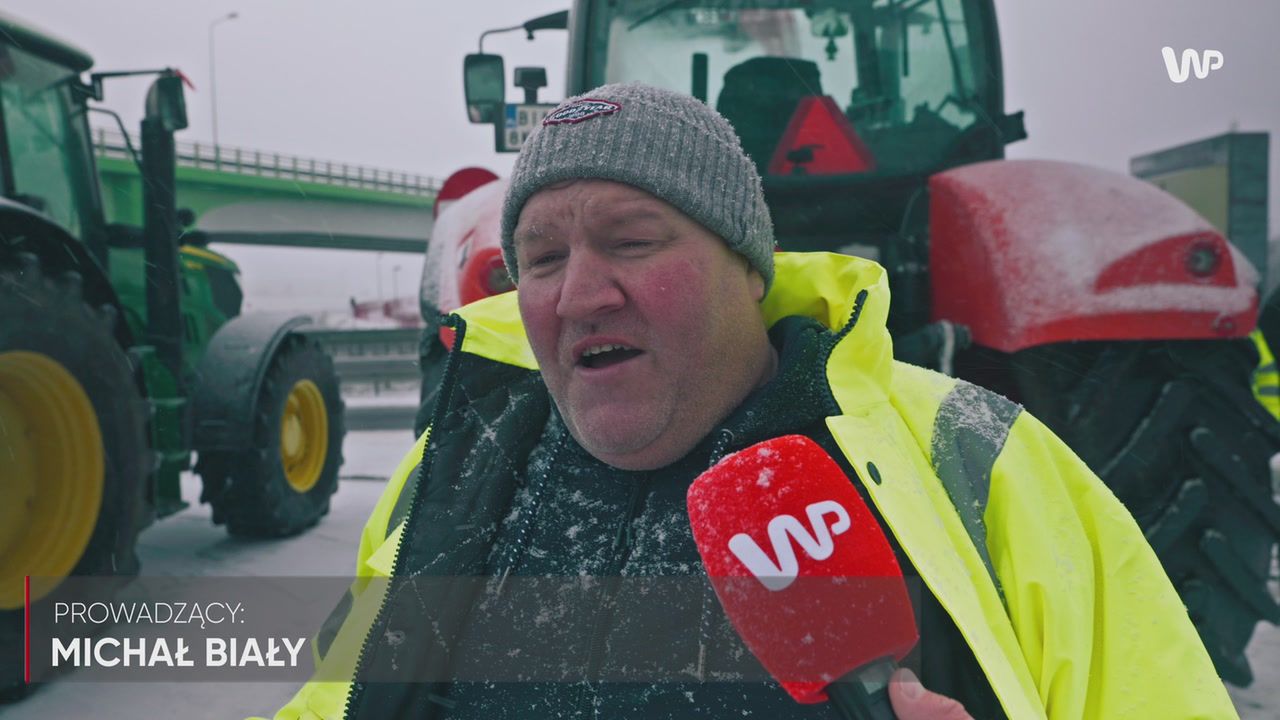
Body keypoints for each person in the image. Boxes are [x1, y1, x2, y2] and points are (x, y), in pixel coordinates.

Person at [265, 84, 1235, 720]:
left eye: (632, 239)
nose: (576, 293)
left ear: (746, 265)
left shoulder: (983, 465)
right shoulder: (443, 484)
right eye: (542, 259)